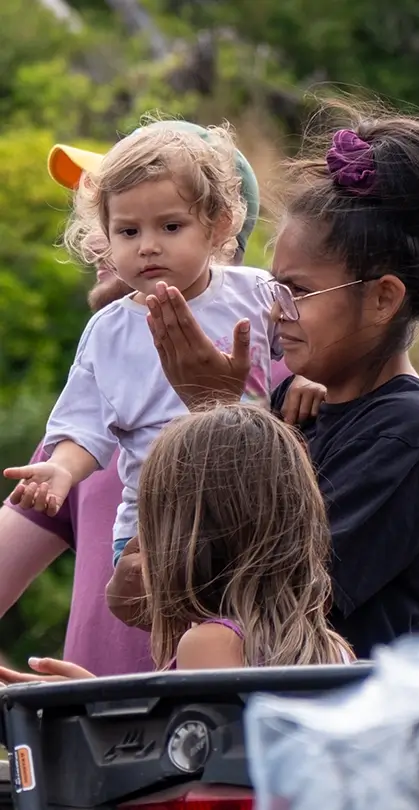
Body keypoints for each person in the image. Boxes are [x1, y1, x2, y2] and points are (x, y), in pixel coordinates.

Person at [100, 101, 419, 660]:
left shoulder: (406, 433)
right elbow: (167, 585)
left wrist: (218, 407)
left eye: (298, 291)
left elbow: (276, 594)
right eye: (272, 289)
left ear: (382, 298)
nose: (277, 312)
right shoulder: (288, 403)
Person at [0, 128, 301, 678]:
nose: (144, 246)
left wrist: (303, 383)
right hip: (144, 543)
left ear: (221, 227)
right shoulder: (108, 343)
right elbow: (76, 437)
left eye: (168, 225)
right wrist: (59, 470)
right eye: (123, 230)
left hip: (240, 543)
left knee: (222, 620)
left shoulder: (263, 320)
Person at [0, 404, 355, 681]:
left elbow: (194, 763)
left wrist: (91, 711)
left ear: (183, 539)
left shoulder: (212, 642)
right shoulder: (334, 648)